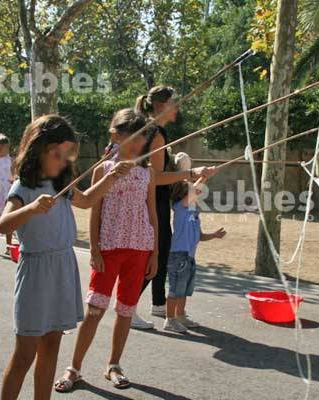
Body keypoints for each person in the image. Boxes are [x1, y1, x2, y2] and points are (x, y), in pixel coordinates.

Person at [0, 114, 134, 400]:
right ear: (38, 149)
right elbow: (4, 224)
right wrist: (32, 208)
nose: (63, 161)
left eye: (66, 155)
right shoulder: (24, 186)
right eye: (57, 154)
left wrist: (110, 177)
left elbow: (85, 202)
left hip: (63, 267)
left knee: (51, 347)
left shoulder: (62, 181)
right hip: (36, 272)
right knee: (25, 354)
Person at [54, 108, 157, 392]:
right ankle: (74, 368)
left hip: (139, 248)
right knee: (95, 311)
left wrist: (155, 253)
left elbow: (152, 213)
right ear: (116, 136)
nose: (137, 144)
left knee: (126, 310)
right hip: (109, 249)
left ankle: (114, 365)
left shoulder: (146, 172)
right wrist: (95, 248)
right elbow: (93, 209)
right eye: (132, 137)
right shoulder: (103, 169)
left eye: (141, 139)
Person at [132, 85, 217, 330]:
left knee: (161, 249)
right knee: (154, 252)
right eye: (174, 102)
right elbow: (155, 178)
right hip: (151, 200)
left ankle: (158, 304)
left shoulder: (152, 129)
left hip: (154, 199)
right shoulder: (155, 132)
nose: (177, 107)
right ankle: (128, 309)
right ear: (161, 105)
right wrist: (189, 173)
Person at [164, 155, 226, 333]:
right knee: (176, 289)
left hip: (189, 256)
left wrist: (213, 235)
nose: (196, 195)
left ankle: (180, 315)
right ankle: (170, 319)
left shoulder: (193, 214)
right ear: (184, 196)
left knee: (184, 289)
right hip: (178, 255)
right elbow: (196, 190)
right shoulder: (180, 208)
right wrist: (206, 176)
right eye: (191, 192)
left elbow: (199, 236)